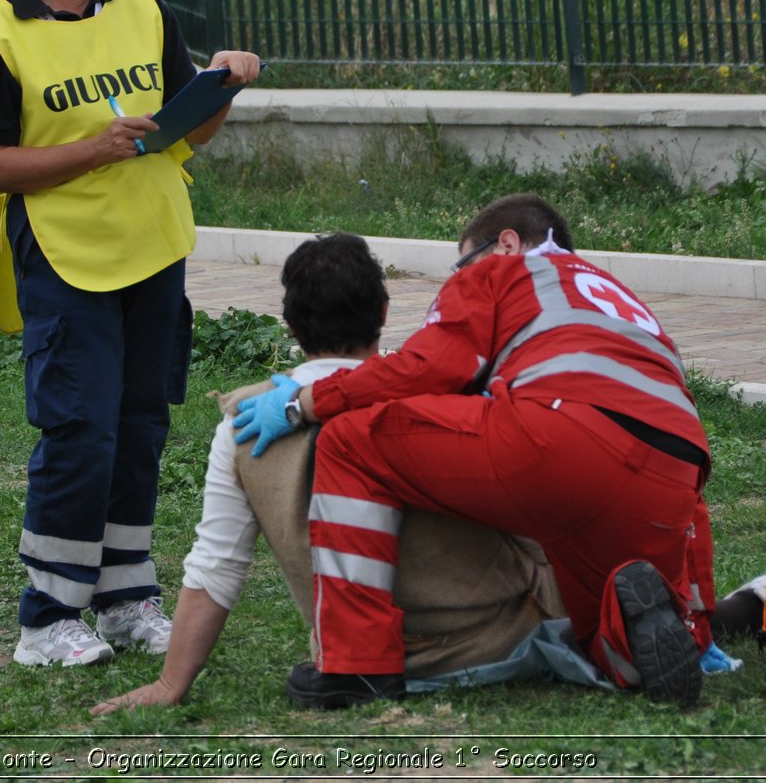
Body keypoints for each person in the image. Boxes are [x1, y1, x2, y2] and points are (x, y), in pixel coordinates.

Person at [0, 0, 261, 668]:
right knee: (79, 429)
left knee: (140, 425)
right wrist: (90, 149)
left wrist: (219, 89)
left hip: (155, 246)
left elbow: (178, 135)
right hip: (66, 257)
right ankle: (46, 615)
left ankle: (126, 596)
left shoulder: (141, 4)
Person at [235, 194, 715, 708]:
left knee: (350, 441)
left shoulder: (500, 273)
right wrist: (702, 606)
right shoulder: (625, 302)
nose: (458, 274)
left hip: (560, 439)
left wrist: (304, 404)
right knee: (595, 631)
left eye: (462, 261)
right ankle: (659, 649)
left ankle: (357, 666)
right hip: (674, 471)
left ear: (506, 243)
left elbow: (431, 368)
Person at [92, 233, 568, 714]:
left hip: (354, 661)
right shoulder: (439, 395)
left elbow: (215, 566)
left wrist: (170, 683)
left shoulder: (242, 424)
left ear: (291, 327)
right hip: (498, 640)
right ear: (384, 312)